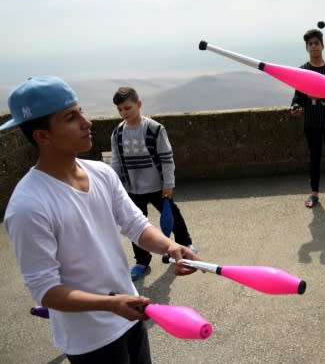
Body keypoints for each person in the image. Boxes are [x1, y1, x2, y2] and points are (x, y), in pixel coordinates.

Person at [2, 76, 198, 363]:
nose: (87, 122)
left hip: (130, 316)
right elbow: (46, 292)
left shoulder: (101, 173)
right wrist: (111, 304)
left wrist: (170, 247)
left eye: (81, 111)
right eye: (71, 117)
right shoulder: (28, 206)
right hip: (89, 339)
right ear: (42, 136)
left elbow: (136, 224)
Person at [111, 86, 197, 281]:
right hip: (132, 188)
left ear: (138, 104)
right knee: (134, 224)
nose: (124, 113)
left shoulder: (154, 129)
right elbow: (116, 162)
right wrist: (115, 186)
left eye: (128, 107)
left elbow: (167, 159)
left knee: (172, 214)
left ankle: (185, 243)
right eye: (120, 110)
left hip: (158, 186)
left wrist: (168, 184)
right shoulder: (117, 133)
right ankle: (142, 260)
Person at [290, 28, 325, 208]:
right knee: (314, 158)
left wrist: (319, 96)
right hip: (311, 122)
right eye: (310, 44)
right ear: (307, 48)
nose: (314, 46)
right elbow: (298, 96)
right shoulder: (302, 71)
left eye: (317, 43)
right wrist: (296, 107)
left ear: (322, 46)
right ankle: (314, 194)